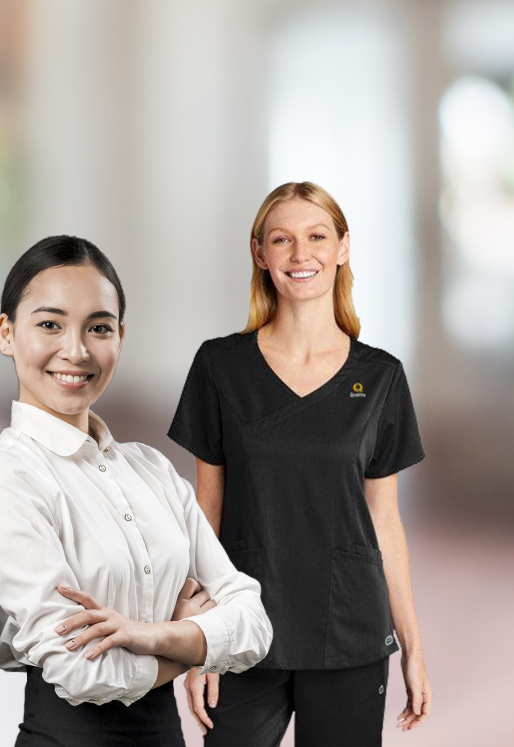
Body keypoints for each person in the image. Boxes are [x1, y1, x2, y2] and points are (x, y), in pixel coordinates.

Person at [0, 236, 272, 746]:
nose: (77, 350)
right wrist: (190, 644)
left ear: (119, 337)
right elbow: (79, 671)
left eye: (99, 328)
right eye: (49, 324)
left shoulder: (150, 469)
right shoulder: (10, 475)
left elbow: (254, 624)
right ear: (6, 333)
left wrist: (145, 635)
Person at [170, 181, 430, 746]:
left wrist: (411, 643)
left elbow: (384, 522)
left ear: (342, 248)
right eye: (282, 239)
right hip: (243, 626)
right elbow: (205, 512)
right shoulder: (220, 367)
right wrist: (199, 636)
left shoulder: (380, 377)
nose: (299, 254)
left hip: (349, 631)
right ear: (260, 254)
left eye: (316, 237)